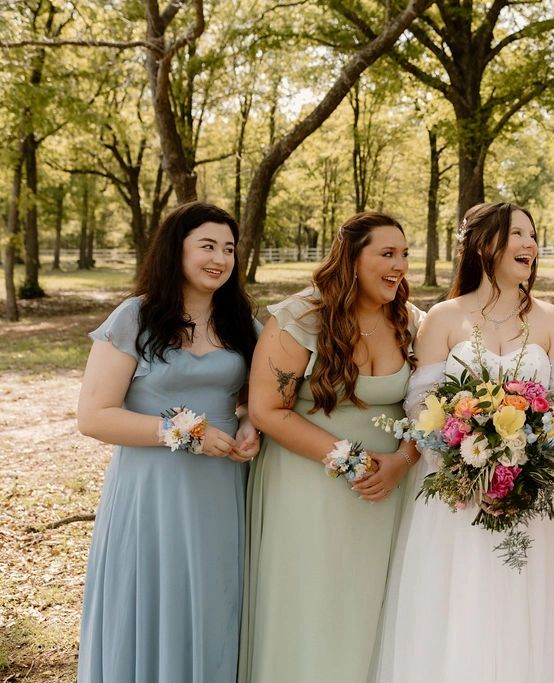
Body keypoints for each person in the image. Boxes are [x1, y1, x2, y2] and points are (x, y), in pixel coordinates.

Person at [373, 202, 554, 683]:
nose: (530, 245)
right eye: (518, 233)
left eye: (533, 236)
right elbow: (422, 410)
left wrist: (525, 478)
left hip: (534, 502)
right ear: (484, 244)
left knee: (525, 606)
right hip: (455, 498)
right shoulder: (443, 319)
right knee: (461, 605)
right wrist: (469, 475)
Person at [76, 201, 260, 683]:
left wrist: (249, 424)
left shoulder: (241, 323)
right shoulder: (135, 317)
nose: (220, 257)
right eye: (207, 245)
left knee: (212, 599)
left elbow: (257, 399)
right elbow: (94, 416)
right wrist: (183, 432)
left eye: (229, 248)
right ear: (175, 250)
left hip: (220, 489)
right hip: (150, 489)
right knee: (152, 595)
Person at [238, 212, 423, 682]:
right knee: (314, 605)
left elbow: (430, 410)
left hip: (388, 490)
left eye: (404, 254)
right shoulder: (300, 318)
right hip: (310, 483)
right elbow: (266, 409)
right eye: (386, 254)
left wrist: (402, 461)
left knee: (371, 606)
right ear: (351, 259)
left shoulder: (410, 321)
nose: (399, 265)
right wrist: (351, 460)